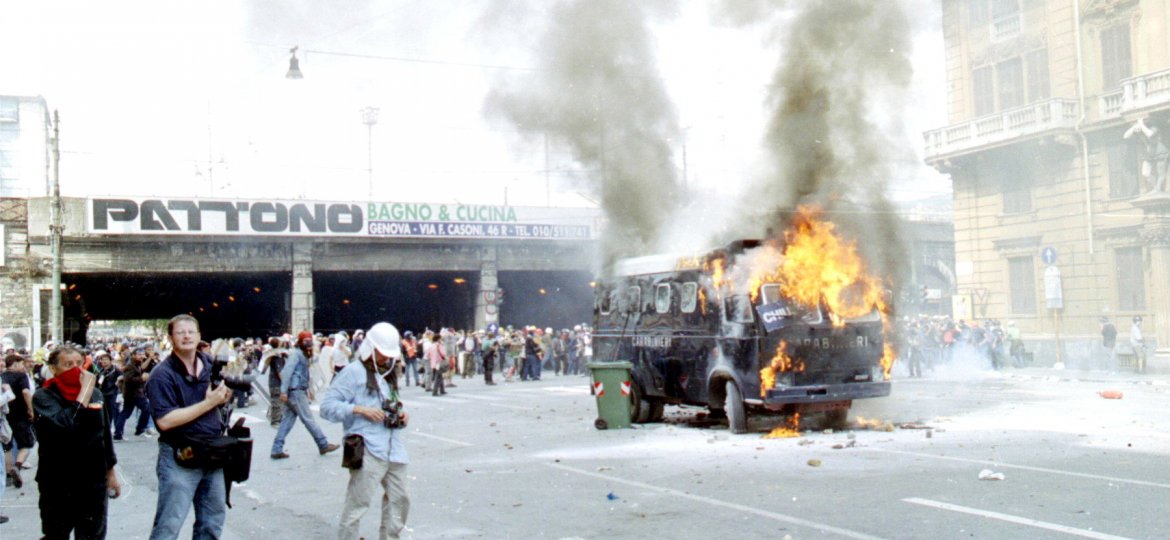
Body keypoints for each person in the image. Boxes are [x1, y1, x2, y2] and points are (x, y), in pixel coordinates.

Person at [146, 314, 234, 540]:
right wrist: (209, 403)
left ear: (199, 336)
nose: (186, 336)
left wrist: (223, 397)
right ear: (170, 338)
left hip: (212, 452)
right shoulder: (161, 375)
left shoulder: (208, 364)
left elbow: (221, 396)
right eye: (180, 332)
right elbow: (165, 421)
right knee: (169, 526)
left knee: (212, 522)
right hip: (180, 456)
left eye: (190, 332)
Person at [320, 322, 411, 540]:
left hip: (394, 448)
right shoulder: (353, 372)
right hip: (367, 448)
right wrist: (359, 409)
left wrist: (402, 414)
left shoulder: (388, 373)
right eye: (382, 353)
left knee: (400, 500)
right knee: (357, 505)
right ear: (370, 348)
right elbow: (327, 407)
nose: (386, 357)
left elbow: (392, 403)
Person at [33, 346, 121, 539]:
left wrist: (111, 472)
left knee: (92, 533)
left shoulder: (96, 395)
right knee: (56, 533)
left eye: (79, 364)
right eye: (68, 364)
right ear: (54, 368)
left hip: (92, 479)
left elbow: (104, 435)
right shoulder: (43, 397)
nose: (75, 369)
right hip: (57, 480)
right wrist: (83, 395)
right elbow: (64, 424)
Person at [271, 330, 340, 459]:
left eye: (310, 341)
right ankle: (323, 444)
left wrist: (307, 390)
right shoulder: (296, 354)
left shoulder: (301, 353)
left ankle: (276, 448)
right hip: (296, 391)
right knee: (308, 419)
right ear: (301, 342)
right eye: (306, 341)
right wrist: (283, 391)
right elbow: (287, 373)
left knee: (288, 420)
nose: (309, 344)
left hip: (296, 390)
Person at [2, 354, 35, 489]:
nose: (23, 367)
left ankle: (9, 473)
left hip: (6, 415)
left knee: (8, 445)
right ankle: (17, 466)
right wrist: (31, 409)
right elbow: (26, 392)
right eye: (21, 364)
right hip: (21, 415)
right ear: (15, 364)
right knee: (26, 445)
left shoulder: (2, 376)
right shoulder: (21, 376)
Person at [115, 347, 155, 440]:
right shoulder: (130, 366)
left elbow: (143, 367)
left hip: (134, 393)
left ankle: (119, 433)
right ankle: (139, 429)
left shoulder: (137, 364)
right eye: (139, 354)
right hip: (133, 394)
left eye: (142, 354)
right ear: (133, 355)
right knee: (146, 408)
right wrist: (142, 378)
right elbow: (128, 380)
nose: (141, 356)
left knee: (125, 413)